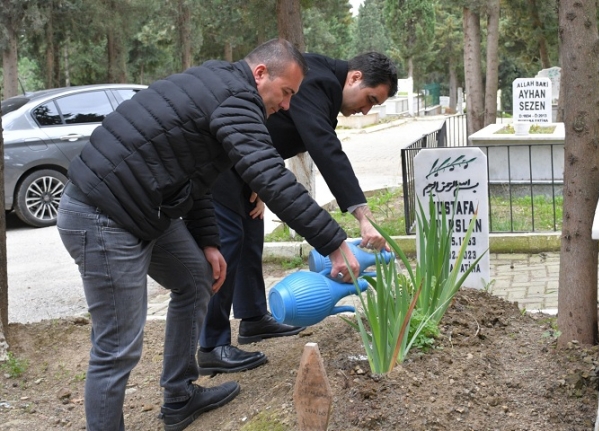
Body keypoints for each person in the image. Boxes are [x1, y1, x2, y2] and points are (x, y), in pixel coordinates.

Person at [56, 38, 361, 431]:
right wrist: (334, 243)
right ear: (260, 73)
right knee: (117, 346)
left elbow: (194, 174)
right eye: (286, 93)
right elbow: (269, 176)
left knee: (196, 276)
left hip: (141, 207)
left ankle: (180, 395)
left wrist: (208, 242)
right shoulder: (237, 98)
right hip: (101, 214)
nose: (287, 105)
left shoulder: (220, 85)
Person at [197, 52, 398, 376]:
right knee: (228, 244)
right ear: (355, 77)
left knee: (250, 236)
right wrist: (363, 216)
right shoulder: (316, 82)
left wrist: (257, 180)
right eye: (369, 99)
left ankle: (253, 319)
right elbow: (326, 149)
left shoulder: (326, 85)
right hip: (223, 161)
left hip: (246, 167)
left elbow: (274, 132)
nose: (365, 109)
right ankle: (211, 346)